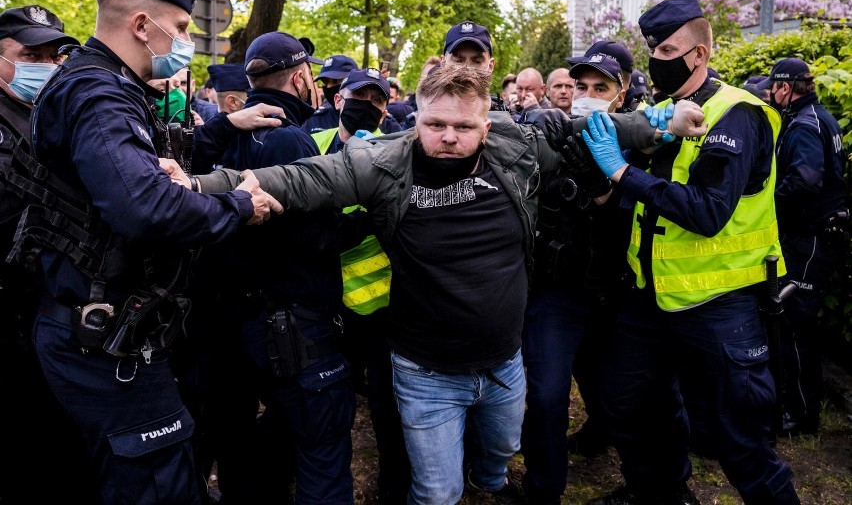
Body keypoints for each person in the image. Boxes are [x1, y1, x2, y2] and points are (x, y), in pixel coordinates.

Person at [180, 64, 708, 505]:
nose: (448, 138)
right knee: (436, 493)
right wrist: (200, 183)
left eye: (463, 127)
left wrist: (660, 122)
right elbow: (301, 177)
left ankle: (488, 476)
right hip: (424, 369)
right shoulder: (384, 161)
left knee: (498, 459)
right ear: (416, 121)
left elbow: (588, 135)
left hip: (503, 362)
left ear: (486, 124)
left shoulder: (516, 145)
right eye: (434, 125)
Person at [9, 0, 283, 505]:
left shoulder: (105, 88)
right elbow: (144, 208)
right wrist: (237, 206)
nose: (186, 40)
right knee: (158, 483)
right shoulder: (100, 94)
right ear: (141, 25)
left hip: (104, 326)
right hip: (103, 340)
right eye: (181, 27)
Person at [582, 0, 801, 505]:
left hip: (720, 303)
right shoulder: (660, 112)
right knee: (631, 403)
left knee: (738, 437)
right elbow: (642, 199)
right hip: (651, 297)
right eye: (653, 50)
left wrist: (621, 170)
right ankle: (660, 492)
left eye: (669, 50)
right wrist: (609, 184)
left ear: (699, 55)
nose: (658, 59)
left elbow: (706, 213)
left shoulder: (739, 114)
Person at [191, 30, 364, 504]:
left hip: (228, 324)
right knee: (322, 451)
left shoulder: (226, 133)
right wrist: (368, 213)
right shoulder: (290, 140)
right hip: (290, 325)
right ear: (303, 77)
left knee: (238, 448)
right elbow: (317, 234)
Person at [0, 4, 103, 504]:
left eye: (52, 54)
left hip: (55, 313)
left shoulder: (49, 114)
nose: (45, 63)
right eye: (29, 54)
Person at [520, 53, 634, 504]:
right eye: (579, 87)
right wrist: (538, 125)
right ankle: (543, 490)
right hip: (558, 292)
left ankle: (635, 468)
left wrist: (607, 186)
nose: (585, 98)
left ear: (621, 96)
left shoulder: (643, 141)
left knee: (617, 395)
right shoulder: (554, 135)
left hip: (615, 295)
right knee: (547, 397)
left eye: (599, 90)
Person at [312, 67, 412, 504]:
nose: (367, 105)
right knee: (324, 404)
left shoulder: (399, 151)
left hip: (382, 303)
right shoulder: (310, 144)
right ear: (338, 99)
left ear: (387, 107)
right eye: (359, 96)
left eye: (377, 99)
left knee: (387, 407)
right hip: (323, 303)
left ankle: (392, 487)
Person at [756, 58, 849, 436]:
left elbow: (806, 180)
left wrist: (765, 202)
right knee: (792, 321)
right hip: (811, 234)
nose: (772, 94)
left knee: (794, 322)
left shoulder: (806, 123)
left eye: (775, 87)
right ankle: (793, 405)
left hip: (810, 236)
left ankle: (801, 415)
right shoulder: (814, 115)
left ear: (785, 86)